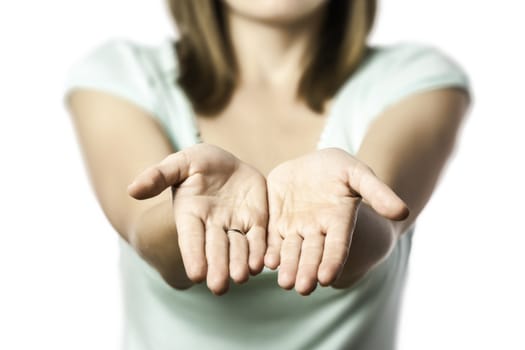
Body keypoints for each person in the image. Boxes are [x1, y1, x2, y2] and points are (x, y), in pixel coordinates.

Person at [64, 0, 470, 349]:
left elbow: (379, 230)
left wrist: (345, 218)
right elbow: (148, 232)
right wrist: (187, 218)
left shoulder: (415, 78)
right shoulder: (121, 74)